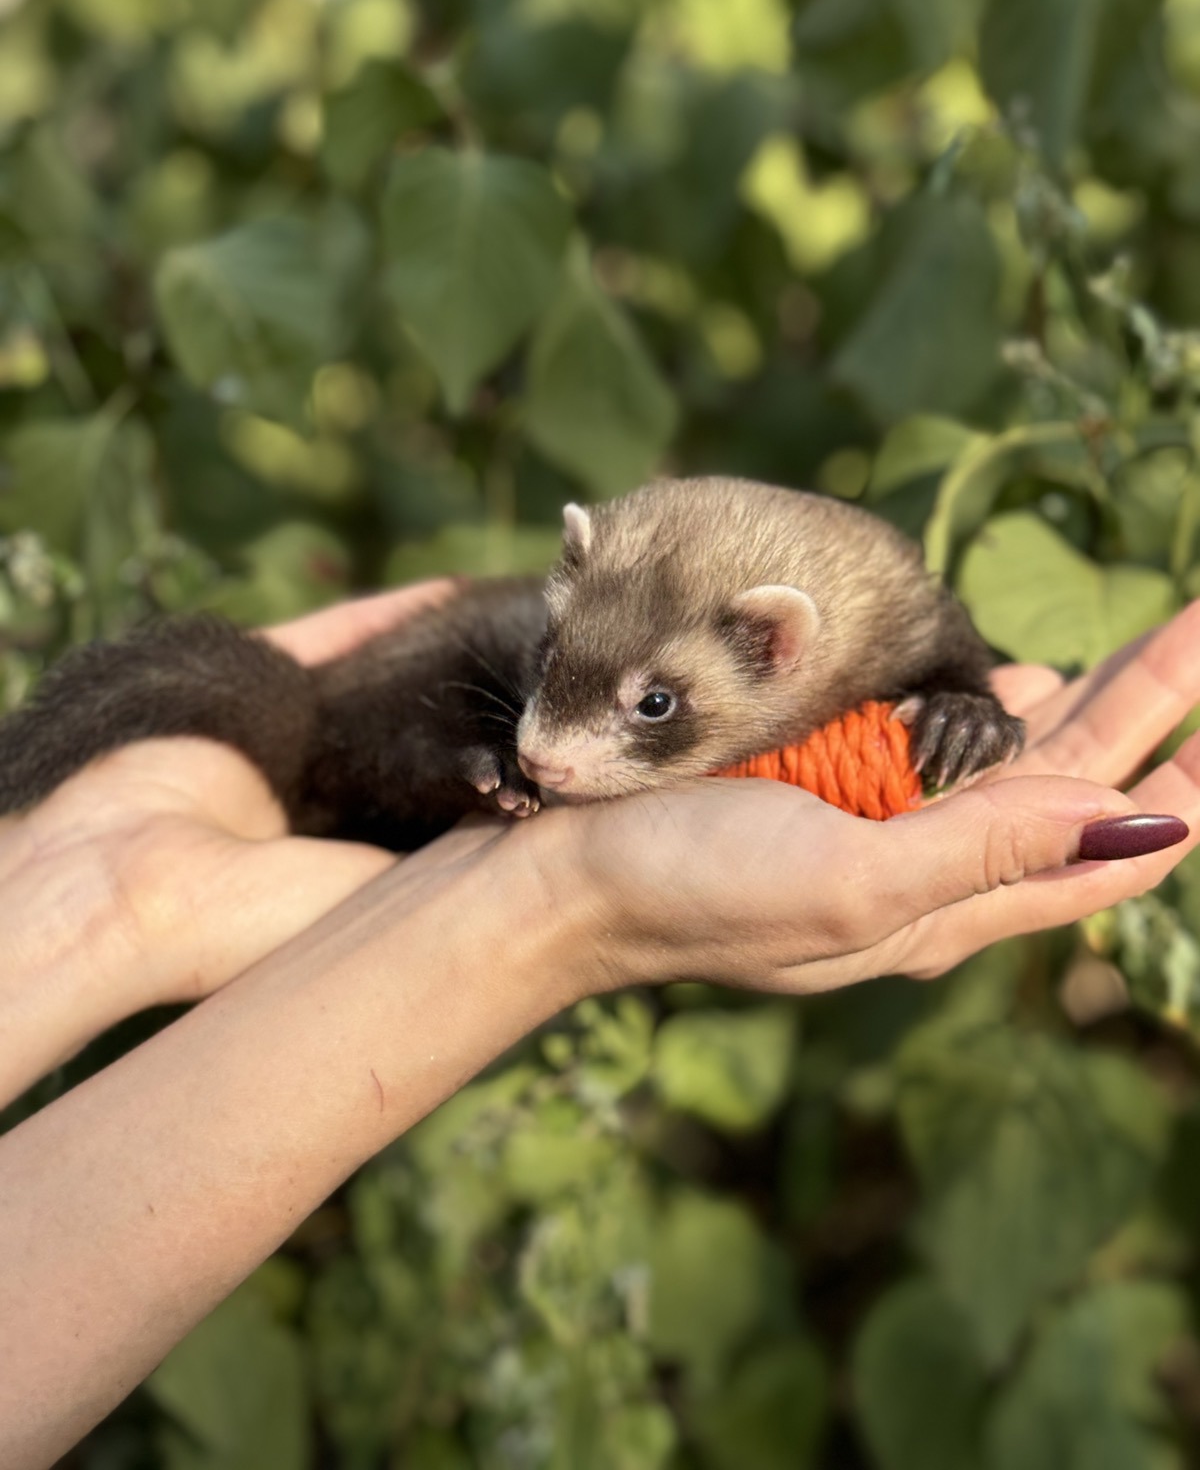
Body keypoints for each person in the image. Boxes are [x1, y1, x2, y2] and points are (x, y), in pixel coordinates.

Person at [2, 582, 1199, 1469]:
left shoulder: (833, 650)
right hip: (371, 759)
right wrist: (564, 896)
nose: (543, 750)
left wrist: (84, 907)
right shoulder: (547, 690)